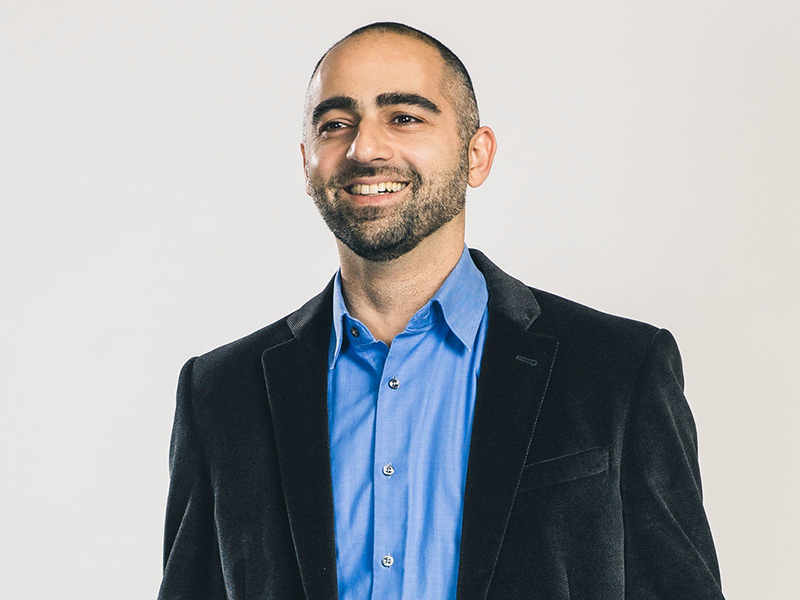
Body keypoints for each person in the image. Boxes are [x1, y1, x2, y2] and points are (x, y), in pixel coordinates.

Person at [158, 22, 725, 600]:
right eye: (335, 124)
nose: (365, 148)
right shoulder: (219, 394)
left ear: (476, 156)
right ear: (308, 164)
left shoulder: (618, 370)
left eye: (404, 117)